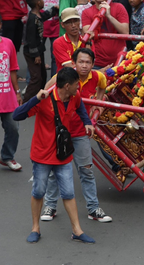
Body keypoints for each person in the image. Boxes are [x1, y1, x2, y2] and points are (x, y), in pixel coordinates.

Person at [13, 67, 95, 244]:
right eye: (75, 85)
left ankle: (77, 230)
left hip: (63, 154)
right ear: (67, 86)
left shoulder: (74, 97)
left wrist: (87, 123)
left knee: (68, 193)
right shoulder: (44, 100)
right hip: (42, 155)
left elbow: (80, 108)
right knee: (39, 191)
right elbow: (17, 115)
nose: (78, 88)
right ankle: (35, 228)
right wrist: (35, 98)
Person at [41, 48, 112, 223]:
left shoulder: (98, 77)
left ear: (93, 64)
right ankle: (50, 206)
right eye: (81, 62)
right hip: (59, 132)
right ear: (74, 63)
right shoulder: (63, 76)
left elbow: (102, 87)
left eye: (88, 62)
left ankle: (93, 209)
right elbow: (45, 91)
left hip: (80, 132)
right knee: (53, 171)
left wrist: (98, 103)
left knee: (86, 170)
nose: (84, 66)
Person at [82, 0, 129, 69]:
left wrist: (109, 16)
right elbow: (87, 33)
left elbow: (125, 32)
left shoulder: (119, 7)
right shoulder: (86, 12)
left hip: (119, 60)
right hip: (97, 62)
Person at [23, 0, 58, 102]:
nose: (44, 1)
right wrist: (36, 55)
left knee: (42, 74)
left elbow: (45, 15)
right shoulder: (32, 19)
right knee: (36, 77)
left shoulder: (38, 15)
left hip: (39, 50)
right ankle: (27, 102)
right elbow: (31, 39)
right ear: (38, 3)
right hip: (32, 53)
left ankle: (40, 98)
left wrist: (55, 9)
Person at [0, 15, 23, 172]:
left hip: (7, 97)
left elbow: (13, 69)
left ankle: (7, 156)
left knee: (13, 127)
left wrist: (18, 92)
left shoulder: (8, 44)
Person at [54, 8, 94, 72]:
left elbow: (89, 62)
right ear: (62, 25)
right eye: (69, 23)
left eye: (75, 21)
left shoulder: (87, 40)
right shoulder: (58, 43)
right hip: (67, 79)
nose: (73, 25)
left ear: (79, 21)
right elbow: (69, 67)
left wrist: (88, 43)